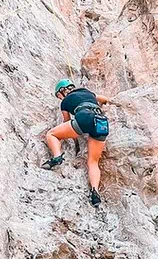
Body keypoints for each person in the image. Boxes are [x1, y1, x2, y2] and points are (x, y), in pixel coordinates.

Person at [43, 79, 111, 207]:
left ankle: (57, 157)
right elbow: (106, 99)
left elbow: (66, 121)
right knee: (93, 161)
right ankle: (95, 192)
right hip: (101, 121)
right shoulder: (88, 92)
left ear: (62, 91)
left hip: (84, 117)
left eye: (59, 96)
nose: (60, 98)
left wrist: (73, 138)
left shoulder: (65, 101)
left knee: (51, 134)